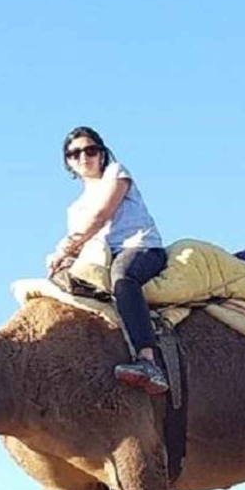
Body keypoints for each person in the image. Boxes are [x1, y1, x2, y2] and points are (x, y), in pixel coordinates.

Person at [46, 126, 170, 394]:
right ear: (68, 162)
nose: (83, 157)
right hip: (101, 257)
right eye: (75, 153)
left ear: (102, 153)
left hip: (139, 248)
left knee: (123, 280)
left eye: (90, 150)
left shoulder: (116, 173)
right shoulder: (75, 208)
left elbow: (100, 216)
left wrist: (64, 247)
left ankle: (148, 360)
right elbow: (81, 243)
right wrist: (62, 261)